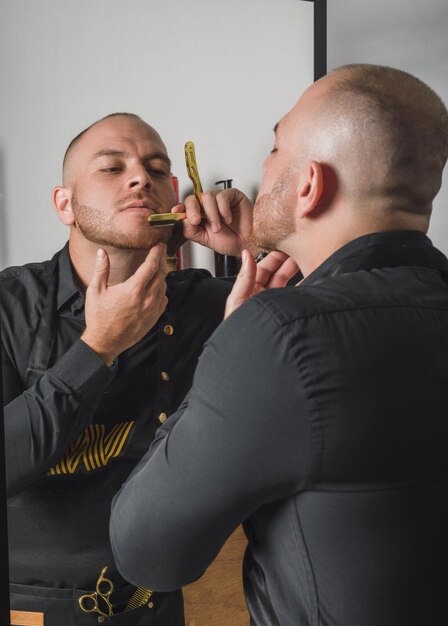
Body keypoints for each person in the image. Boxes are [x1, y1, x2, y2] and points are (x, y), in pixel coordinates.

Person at [109, 64, 448, 626]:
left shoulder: (278, 336)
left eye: (274, 148)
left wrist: (237, 336)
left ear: (310, 184)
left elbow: (147, 552)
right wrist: (276, 245)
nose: (263, 170)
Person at [0, 112, 297, 626]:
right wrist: (97, 349)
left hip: (173, 602)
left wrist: (261, 244)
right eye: (112, 168)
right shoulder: (10, 305)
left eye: (158, 170)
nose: (141, 178)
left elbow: (328, 343)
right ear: (64, 204)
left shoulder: (208, 303)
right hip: (32, 607)